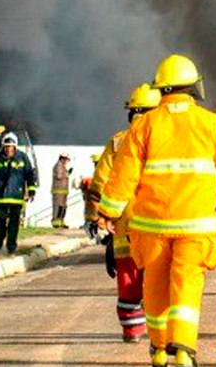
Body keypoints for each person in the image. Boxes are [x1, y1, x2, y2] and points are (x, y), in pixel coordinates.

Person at [97, 53, 216, 367]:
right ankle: (183, 350)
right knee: (186, 284)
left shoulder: (144, 126)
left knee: (153, 285)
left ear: (162, 88)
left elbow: (122, 176)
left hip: (151, 228)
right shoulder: (211, 124)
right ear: (193, 87)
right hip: (196, 229)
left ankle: (158, 350)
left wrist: (108, 213)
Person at [92, 84, 161, 341]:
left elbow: (100, 183)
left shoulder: (118, 141)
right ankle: (162, 333)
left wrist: (100, 217)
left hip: (124, 224)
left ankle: (132, 330)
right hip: (159, 224)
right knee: (158, 280)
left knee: (129, 279)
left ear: (131, 112)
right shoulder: (168, 140)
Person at [0, 132, 37, 255]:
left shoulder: (22, 158)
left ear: (15, 147)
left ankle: (11, 246)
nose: (8, 149)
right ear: (3, 147)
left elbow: (30, 175)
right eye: (6, 146)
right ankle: (1, 236)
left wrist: (31, 190)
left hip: (16, 197)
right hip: (0, 197)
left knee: (14, 224)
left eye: (11, 147)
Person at [51, 153, 73, 228]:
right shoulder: (59, 165)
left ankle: (61, 222)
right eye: (66, 160)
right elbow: (59, 176)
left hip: (63, 191)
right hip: (58, 191)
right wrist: (66, 174)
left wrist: (67, 173)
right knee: (58, 207)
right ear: (62, 158)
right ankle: (56, 223)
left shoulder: (62, 166)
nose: (67, 161)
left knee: (63, 207)